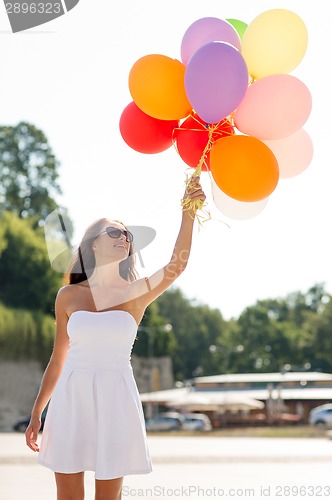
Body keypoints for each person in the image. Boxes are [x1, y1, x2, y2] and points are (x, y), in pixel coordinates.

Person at [25, 176, 206, 500]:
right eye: (114, 231)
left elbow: (177, 265)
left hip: (116, 398)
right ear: (93, 244)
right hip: (70, 397)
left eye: (127, 234)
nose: (124, 237)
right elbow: (58, 358)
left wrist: (188, 212)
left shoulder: (135, 294)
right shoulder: (68, 295)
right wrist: (38, 410)